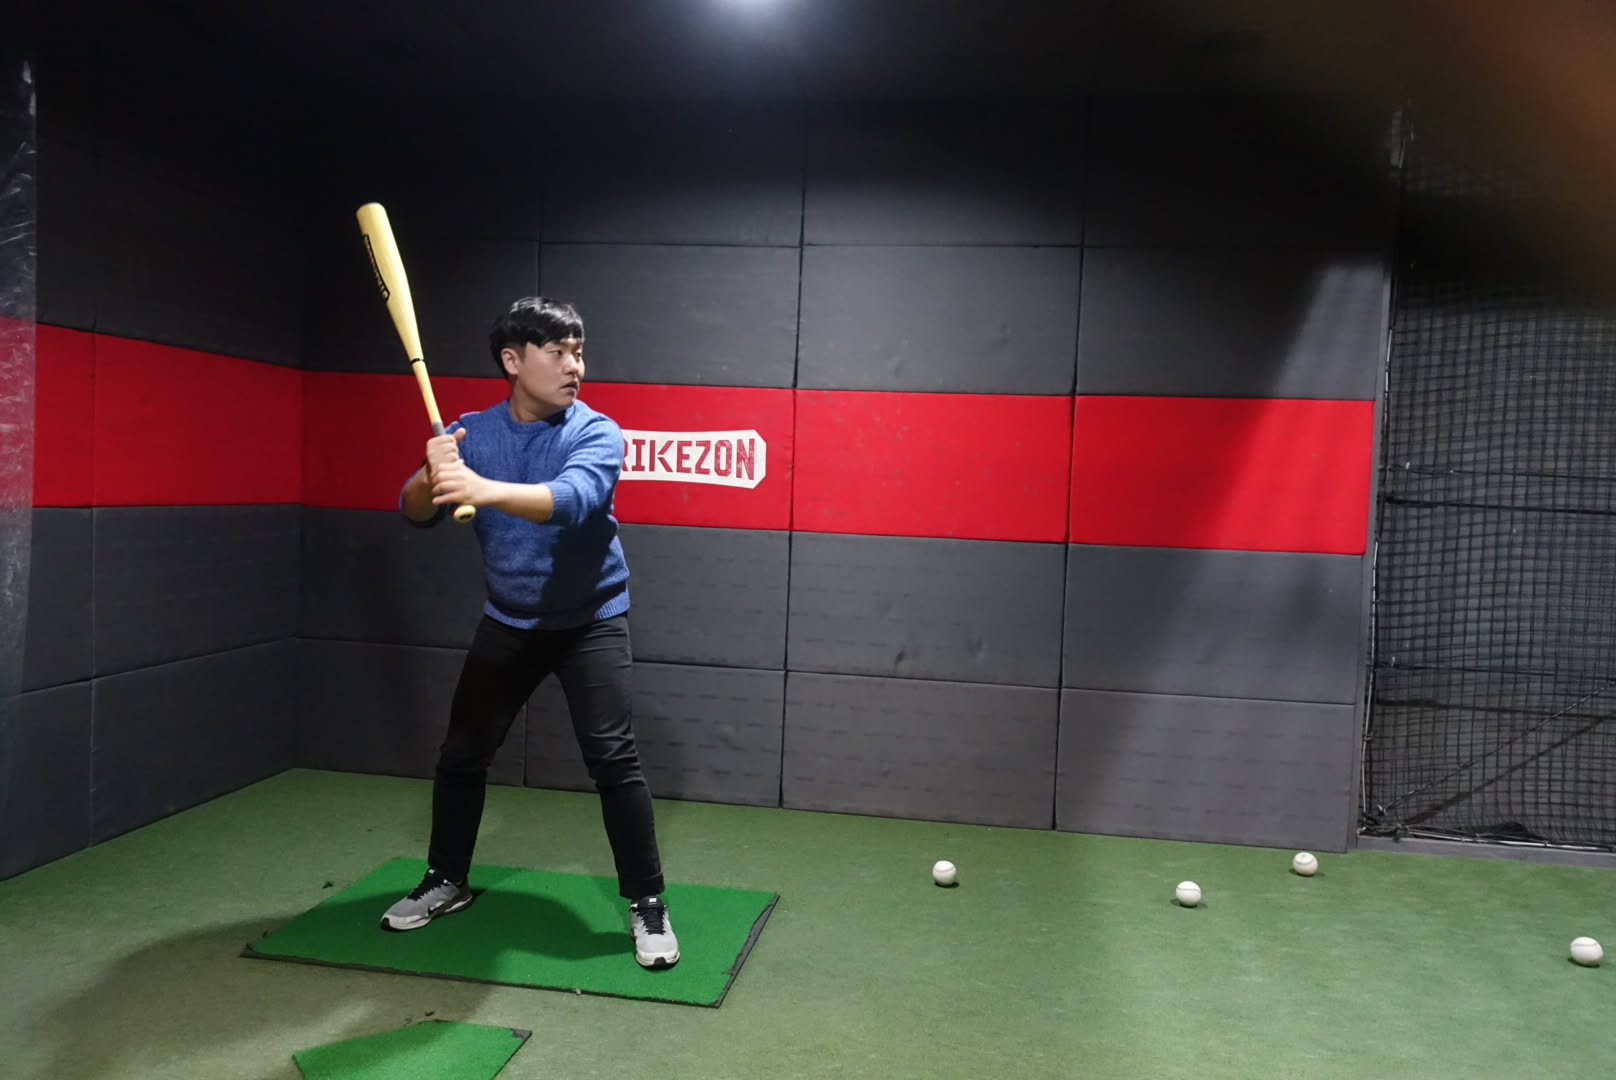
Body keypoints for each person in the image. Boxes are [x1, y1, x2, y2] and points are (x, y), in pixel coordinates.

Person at [381, 295, 678, 970]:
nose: (576, 366)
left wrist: (480, 488)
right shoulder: (470, 434)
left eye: (579, 352)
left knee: (614, 761)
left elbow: (573, 501)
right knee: (462, 755)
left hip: (590, 621)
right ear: (513, 361)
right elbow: (413, 510)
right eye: (559, 352)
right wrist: (432, 474)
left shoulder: (596, 432)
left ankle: (647, 900)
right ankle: (446, 878)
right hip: (510, 620)